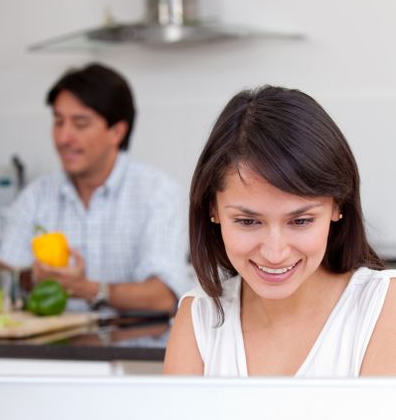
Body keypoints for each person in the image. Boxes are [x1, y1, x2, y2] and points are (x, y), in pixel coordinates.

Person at [163, 85, 396, 376]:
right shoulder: (199, 316)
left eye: (300, 221)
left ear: (338, 206)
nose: (275, 252)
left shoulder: (384, 306)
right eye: (248, 222)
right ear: (213, 209)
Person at [0, 63, 189, 312]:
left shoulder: (158, 193)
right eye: (59, 122)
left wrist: (87, 288)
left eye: (80, 124)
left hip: (136, 349)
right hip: (54, 349)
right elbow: (9, 281)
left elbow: (165, 296)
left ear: (117, 132)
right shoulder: (36, 196)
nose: (63, 138)